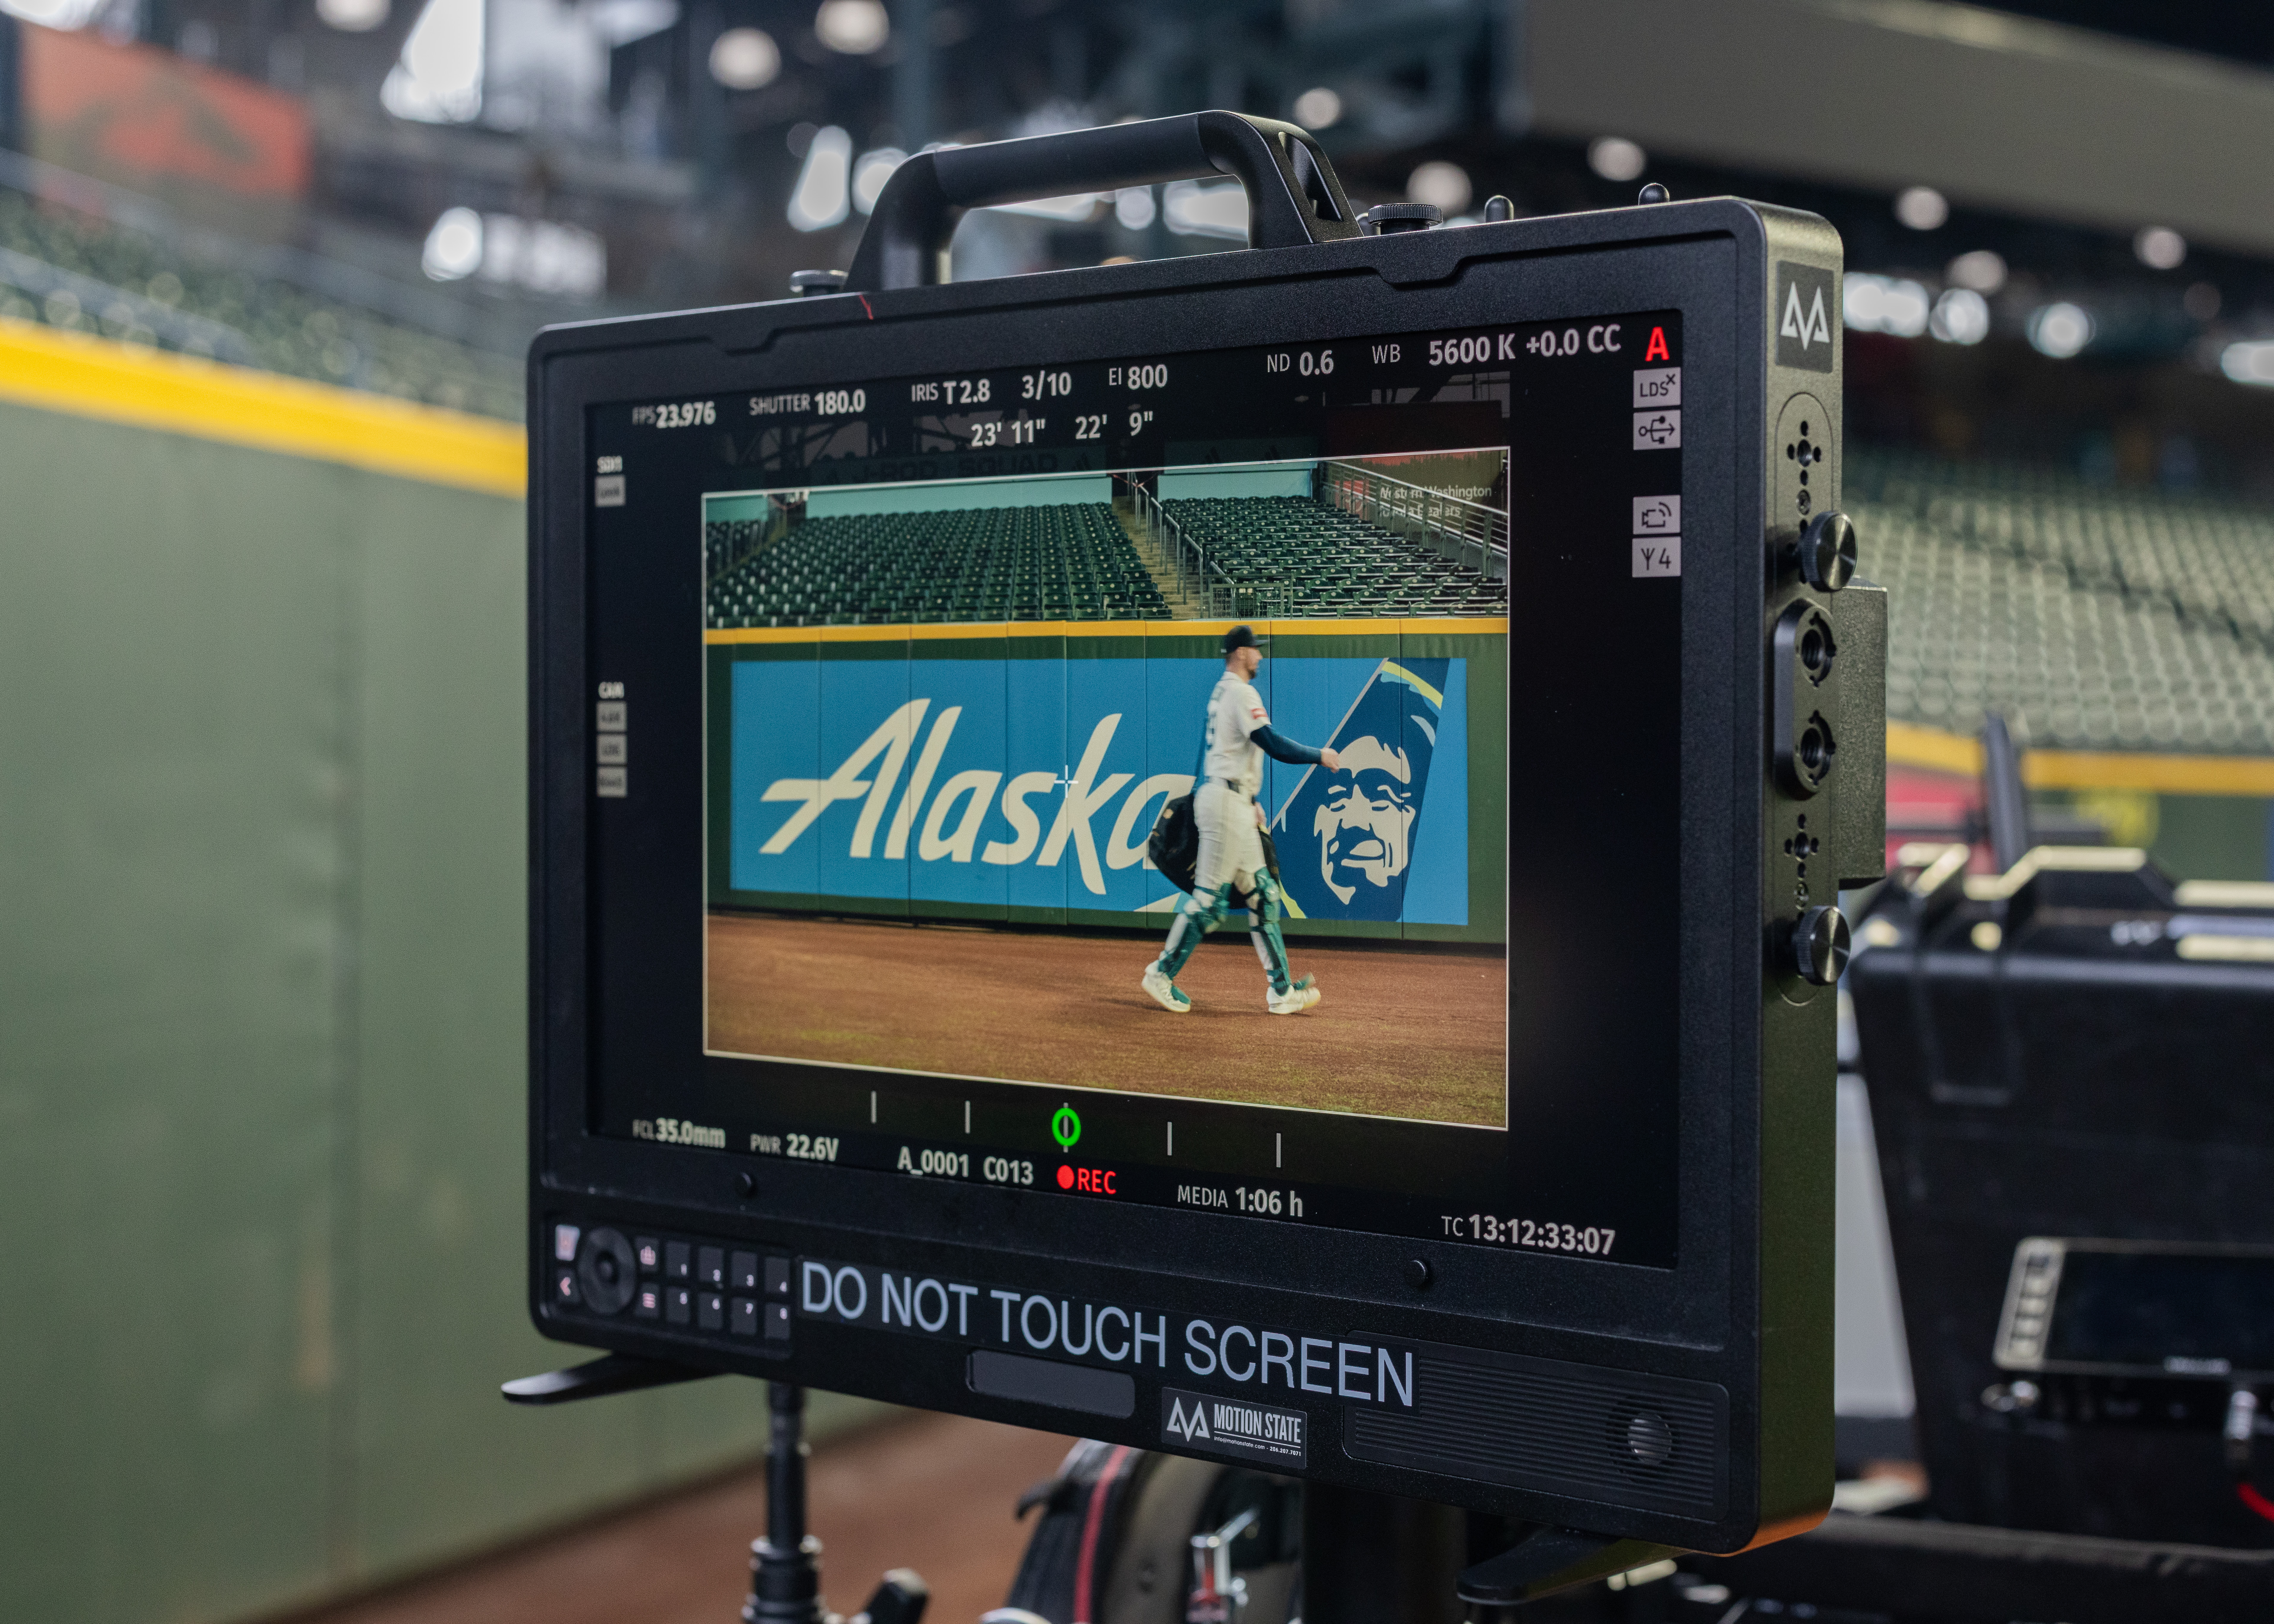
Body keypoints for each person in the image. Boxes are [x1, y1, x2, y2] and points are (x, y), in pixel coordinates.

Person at [1142, 626, 1343, 1015]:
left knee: (1264, 895)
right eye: (1255, 650)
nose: (1260, 657)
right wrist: (1319, 755)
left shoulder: (1224, 691)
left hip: (1233, 800)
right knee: (1209, 903)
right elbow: (1270, 742)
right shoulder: (1239, 691)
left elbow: (1235, 751)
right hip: (1225, 805)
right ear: (1240, 653)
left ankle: (1281, 992)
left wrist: (1249, 799)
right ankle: (1160, 974)